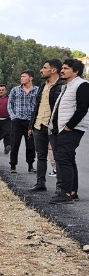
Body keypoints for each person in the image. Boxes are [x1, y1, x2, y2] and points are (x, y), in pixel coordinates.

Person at [48, 59, 89, 204]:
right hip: (63, 128)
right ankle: (72, 192)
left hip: (71, 129)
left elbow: (82, 108)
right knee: (69, 159)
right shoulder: (68, 86)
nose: (62, 70)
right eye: (62, 68)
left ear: (75, 71)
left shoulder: (82, 85)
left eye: (66, 68)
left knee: (64, 159)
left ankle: (65, 194)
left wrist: (69, 126)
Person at [27, 59, 65, 191]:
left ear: (53, 70)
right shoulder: (43, 86)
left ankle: (60, 187)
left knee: (58, 157)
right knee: (41, 156)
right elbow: (36, 107)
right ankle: (40, 183)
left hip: (53, 127)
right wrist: (31, 126)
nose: (41, 70)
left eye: (44, 68)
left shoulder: (62, 86)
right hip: (38, 126)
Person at [8, 70, 39, 173]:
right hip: (17, 121)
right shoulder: (15, 90)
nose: (21, 78)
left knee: (31, 145)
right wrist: (13, 117)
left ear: (31, 78)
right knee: (14, 143)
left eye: (24, 76)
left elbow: (39, 105)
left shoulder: (37, 90)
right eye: (21, 76)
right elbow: (10, 104)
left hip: (30, 121)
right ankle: (13, 166)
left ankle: (30, 166)